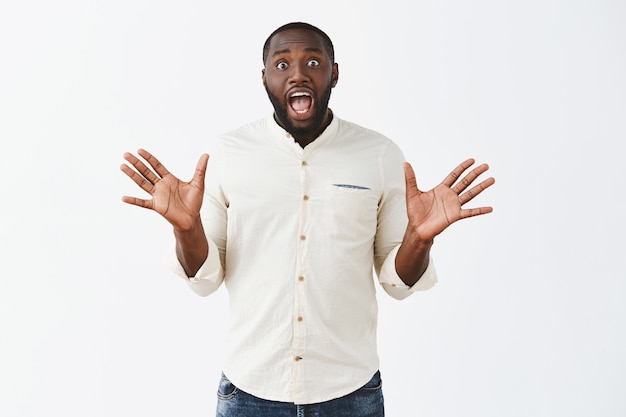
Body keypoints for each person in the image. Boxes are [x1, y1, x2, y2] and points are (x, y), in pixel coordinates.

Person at [120, 22, 495, 417]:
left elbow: (397, 285)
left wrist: (420, 237)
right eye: (282, 65)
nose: (298, 73)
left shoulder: (379, 155)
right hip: (250, 392)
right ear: (264, 78)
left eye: (312, 62)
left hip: (351, 392)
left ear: (334, 73)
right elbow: (205, 280)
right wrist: (187, 228)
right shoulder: (227, 154)